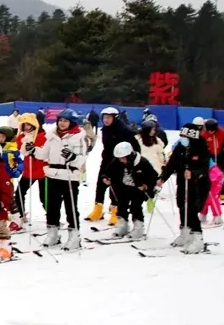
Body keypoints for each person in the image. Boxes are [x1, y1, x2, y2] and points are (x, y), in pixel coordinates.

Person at [34, 108, 87, 250]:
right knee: (52, 206)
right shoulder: (51, 136)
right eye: (60, 120)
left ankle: (74, 235)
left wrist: (73, 158)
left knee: (70, 206)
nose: (62, 123)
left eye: (65, 121)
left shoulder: (78, 137)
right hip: (52, 174)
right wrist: (33, 150)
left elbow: (82, 158)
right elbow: (43, 154)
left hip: (69, 175)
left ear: (72, 122)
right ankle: (53, 233)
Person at [158, 119, 211, 254]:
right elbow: (172, 164)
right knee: (181, 205)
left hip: (198, 184)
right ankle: (185, 233)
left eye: (185, 137)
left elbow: (205, 168)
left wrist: (193, 173)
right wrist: (163, 178)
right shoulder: (180, 148)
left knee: (192, 209)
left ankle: (197, 238)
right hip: (182, 182)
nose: (182, 139)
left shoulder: (201, 147)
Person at [87, 106, 139, 225]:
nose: (106, 120)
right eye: (104, 117)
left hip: (119, 163)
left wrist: (128, 160)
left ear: (115, 118)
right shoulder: (105, 129)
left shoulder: (123, 130)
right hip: (106, 161)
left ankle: (116, 211)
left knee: (115, 187)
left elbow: (135, 147)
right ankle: (98, 209)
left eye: (109, 118)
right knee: (100, 184)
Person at [101, 141, 157, 240]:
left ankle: (138, 228)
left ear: (130, 155)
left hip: (138, 189)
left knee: (135, 206)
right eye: (119, 158)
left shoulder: (142, 163)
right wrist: (105, 177)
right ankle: (123, 225)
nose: (121, 160)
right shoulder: (117, 162)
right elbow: (108, 170)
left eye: (123, 158)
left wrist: (146, 186)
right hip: (124, 187)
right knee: (121, 205)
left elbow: (153, 176)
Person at [15, 113, 47, 224]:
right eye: (24, 125)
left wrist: (34, 149)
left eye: (29, 125)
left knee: (44, 197)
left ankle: (51, 215)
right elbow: (18, 146)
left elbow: (45, 152)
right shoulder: (22, 136)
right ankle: (21, 214)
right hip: (29, 170)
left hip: (43, 171)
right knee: (19, 192)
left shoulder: (43, 136)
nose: (26, 127)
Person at [201, 118, 224, 201]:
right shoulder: (204, 135)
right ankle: (210, 190)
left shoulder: (223, 133)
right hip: (210, 155)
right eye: (209, 130)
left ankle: (222, 192)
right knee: (210, 173)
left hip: (220, 154)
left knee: (221, 173)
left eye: (212, 130)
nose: (210, 132)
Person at [199, 159, 224, 226]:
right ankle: (203, 214)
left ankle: (217, 216)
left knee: (212, 197)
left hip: (215, 176)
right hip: (207, 175)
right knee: (204, 197)